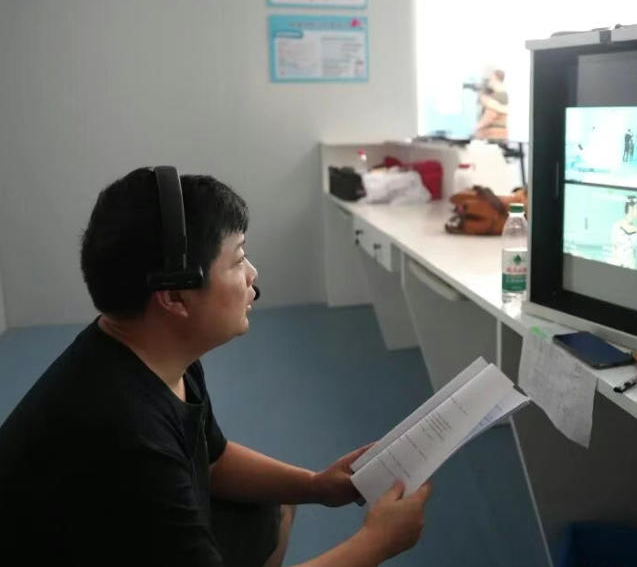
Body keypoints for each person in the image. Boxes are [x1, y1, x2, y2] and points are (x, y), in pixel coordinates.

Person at [0, 168, 431, 566]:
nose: (252, 274)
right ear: (174, 296)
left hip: (111, 528)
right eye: (238, 260)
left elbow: (211, 458)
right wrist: (376, 543)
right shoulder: (128, 433)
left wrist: (315, 485)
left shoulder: (156, 350)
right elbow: (154, 460)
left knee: (276, 507)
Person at [473, 69, 509, 141]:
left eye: (491, 78)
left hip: (493, 135)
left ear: (495, 78)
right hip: (497, 134)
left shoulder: (499, 95)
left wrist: (476, 127)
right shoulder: (501, 95)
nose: (489, 80)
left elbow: (490, 116)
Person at [609, 196, 637, 269]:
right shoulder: (617, 226)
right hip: (617, 266)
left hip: (630, 267)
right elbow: (614, 248)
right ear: (630, 208)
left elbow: (634, 252)